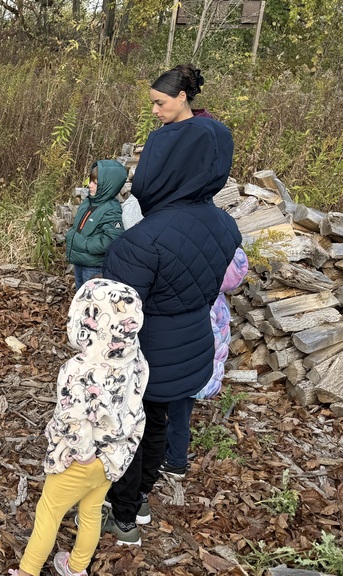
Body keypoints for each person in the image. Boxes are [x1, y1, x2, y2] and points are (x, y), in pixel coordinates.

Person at [98, 64, 242, 544]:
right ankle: (138, 504)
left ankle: (122, 514)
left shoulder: (141, 241)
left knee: (130, 432)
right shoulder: (225, 226)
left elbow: (114, 320)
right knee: (158, 421)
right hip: (191, 346)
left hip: (144, 356)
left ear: (165, 167)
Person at [9, 278, 148, 576]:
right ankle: (77, 567)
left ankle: (27, 572)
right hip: (114, 456)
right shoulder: (136, 358)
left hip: (80, 459)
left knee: (49, 513)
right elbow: (135, 404)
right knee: (91, 512)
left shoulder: (79, 369)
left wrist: (83, 452)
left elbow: (72, 418)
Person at [162, 247, 248, 477]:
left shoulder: (204, 304)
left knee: (176, 417)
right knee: (179, 415)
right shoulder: (219, 300)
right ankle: (171, 454)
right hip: (198, 372)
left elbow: (197, 340)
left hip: (187, 371)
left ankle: (175, 462)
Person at [64, 160, 126, 289]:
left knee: (91, 300)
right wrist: (72, 235)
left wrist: (84, 244)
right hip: (80, 261)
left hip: (93, 267)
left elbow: (111, 239)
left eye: (95, 183)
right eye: (90, 181)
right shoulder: (89, 202)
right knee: (80, 295)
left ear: (108, 186)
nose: (90, 185)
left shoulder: (111, 209)